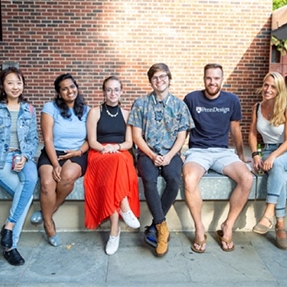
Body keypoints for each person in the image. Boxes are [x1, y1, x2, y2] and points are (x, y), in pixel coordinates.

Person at [183, 63, 253, 253]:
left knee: (247, 178)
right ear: (204, 78)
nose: (212, 82)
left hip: (223, 152)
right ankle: (199, 228)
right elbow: (183, 129)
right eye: (209, 78)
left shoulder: (232, 100)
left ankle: (228, 226)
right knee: (189, 179)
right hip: (198, 151)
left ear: (221, 79)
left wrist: (240, 155)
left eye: (216, 78)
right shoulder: (191, 98)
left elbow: (235, 129)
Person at [128, 63, 193, 257]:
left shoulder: (179, 105)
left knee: (174, 179)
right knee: (149, 179)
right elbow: (137, 136)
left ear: (169, 79)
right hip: (147, 153)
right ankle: (162, 228)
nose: (159, 80)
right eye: (155, 77)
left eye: (163, 76)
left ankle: (155, 226)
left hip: (171, 152)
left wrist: (170, 156)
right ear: (151, 81)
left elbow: (182, 136)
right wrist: (152, 155)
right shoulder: (140, 104)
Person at [30, 73, 90, 247]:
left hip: (76, 154)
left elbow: (90, 139)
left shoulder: (86, 110)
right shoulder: (50, 108)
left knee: (67, 177)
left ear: (77, 87)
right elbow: (47, 139)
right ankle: (49, 224)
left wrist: (78, 152)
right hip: (52, 152)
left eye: (72, 86)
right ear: (59, 92)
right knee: (48, 183)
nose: (69, 91)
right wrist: (55, 163)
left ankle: (47, 211)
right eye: (64, 88)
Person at [84, 76, 140, 255]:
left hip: (120, 153)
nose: (112, 93)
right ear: (103, 92)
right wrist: (105, 149)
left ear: (121, 91)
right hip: (99, 154)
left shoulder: (126, 114)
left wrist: (115, 147)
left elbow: (129, 143)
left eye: (116, 89)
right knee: (116, 163)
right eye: (108, 89)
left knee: (118, 162)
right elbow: (92, 141)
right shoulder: (95, 112)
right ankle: (124, 208)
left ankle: (114, 231)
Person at [0, 67, 39, 265]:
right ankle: (10, 246)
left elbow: (33, 138)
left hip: (22, 157)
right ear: (2, 86)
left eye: (19, 82)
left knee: (31, 178)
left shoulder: (29, 109)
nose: (15, 87)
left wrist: (25, 156)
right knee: (26, 196)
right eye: (10, 82)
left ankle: (8, 227)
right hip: (2, 159)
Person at [249, 71, 287, 250]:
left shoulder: (285, 107)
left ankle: (269, 212)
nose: (268, 89)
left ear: (279, 89)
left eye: (273, 87)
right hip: (267, 150)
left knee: (278, 164)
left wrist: (272, 156)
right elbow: (252, 134)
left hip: (283, 149)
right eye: (266, 85)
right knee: (281, 175)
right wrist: (256, 154)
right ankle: (280, 223)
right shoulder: (257, 107)